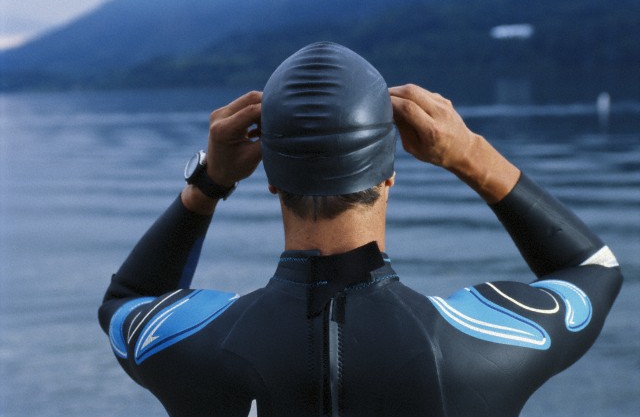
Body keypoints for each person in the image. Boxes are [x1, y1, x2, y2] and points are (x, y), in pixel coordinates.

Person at [98, 42, 622, 417]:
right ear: (389, 172)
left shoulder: (191, 341)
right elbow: (593, 271)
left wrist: (207, 184)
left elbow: (129, 298)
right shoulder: (474, 345)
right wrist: (470, 155)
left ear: (272, 181)